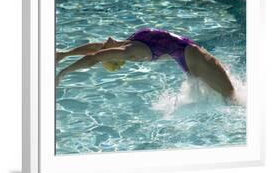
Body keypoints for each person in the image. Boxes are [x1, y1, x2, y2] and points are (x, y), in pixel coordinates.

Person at [56, 28, 235, 99]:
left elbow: (94, 57)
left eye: (117, 63)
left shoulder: (129, 52)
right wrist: (65, 54)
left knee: (231, 97)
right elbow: (97, 49)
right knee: (224, 95)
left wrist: (62, 73)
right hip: (188, 55)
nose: (123, 65)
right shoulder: (129, 41)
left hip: (193, 55)